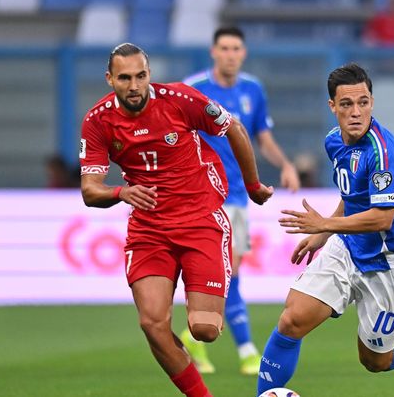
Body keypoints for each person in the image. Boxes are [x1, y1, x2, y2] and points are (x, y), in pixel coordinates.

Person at [256, 63, 394, 395]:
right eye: (347, 104)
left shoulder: (382, 153)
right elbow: (352, 196)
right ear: (332, 107)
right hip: (348, 247)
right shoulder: (333, 142)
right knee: (291, 321)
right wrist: (324, 234)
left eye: (364, 102)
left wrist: (325, 223)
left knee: (375, 361)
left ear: (372, 102)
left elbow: (382, 217)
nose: (356, 112)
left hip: (391, 263)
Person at [80, 43, 272, 397]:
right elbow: (90, 190)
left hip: (200, 219)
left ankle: (201, 320)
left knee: (204, 329)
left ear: (149, 74)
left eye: (140, 76)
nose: (134, 85)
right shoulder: (98, 121)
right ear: (110, 79)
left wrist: (253, 185)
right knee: (152, 324)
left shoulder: (180, 99)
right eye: (124, 78)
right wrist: (120, 193)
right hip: (149, 229)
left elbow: (236, 129)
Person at [179, 26, 300, 376]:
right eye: (224, 48)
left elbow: (262, 137)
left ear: (242, 53)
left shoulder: (253, 89)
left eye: (236, 48)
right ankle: (247, 349)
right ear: (213, 52)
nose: (230, 54)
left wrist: (286, 164)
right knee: (228, 269)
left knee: (229, 271)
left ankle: (194, 338)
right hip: (202, 194)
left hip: (238, 195)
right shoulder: (194, 89)